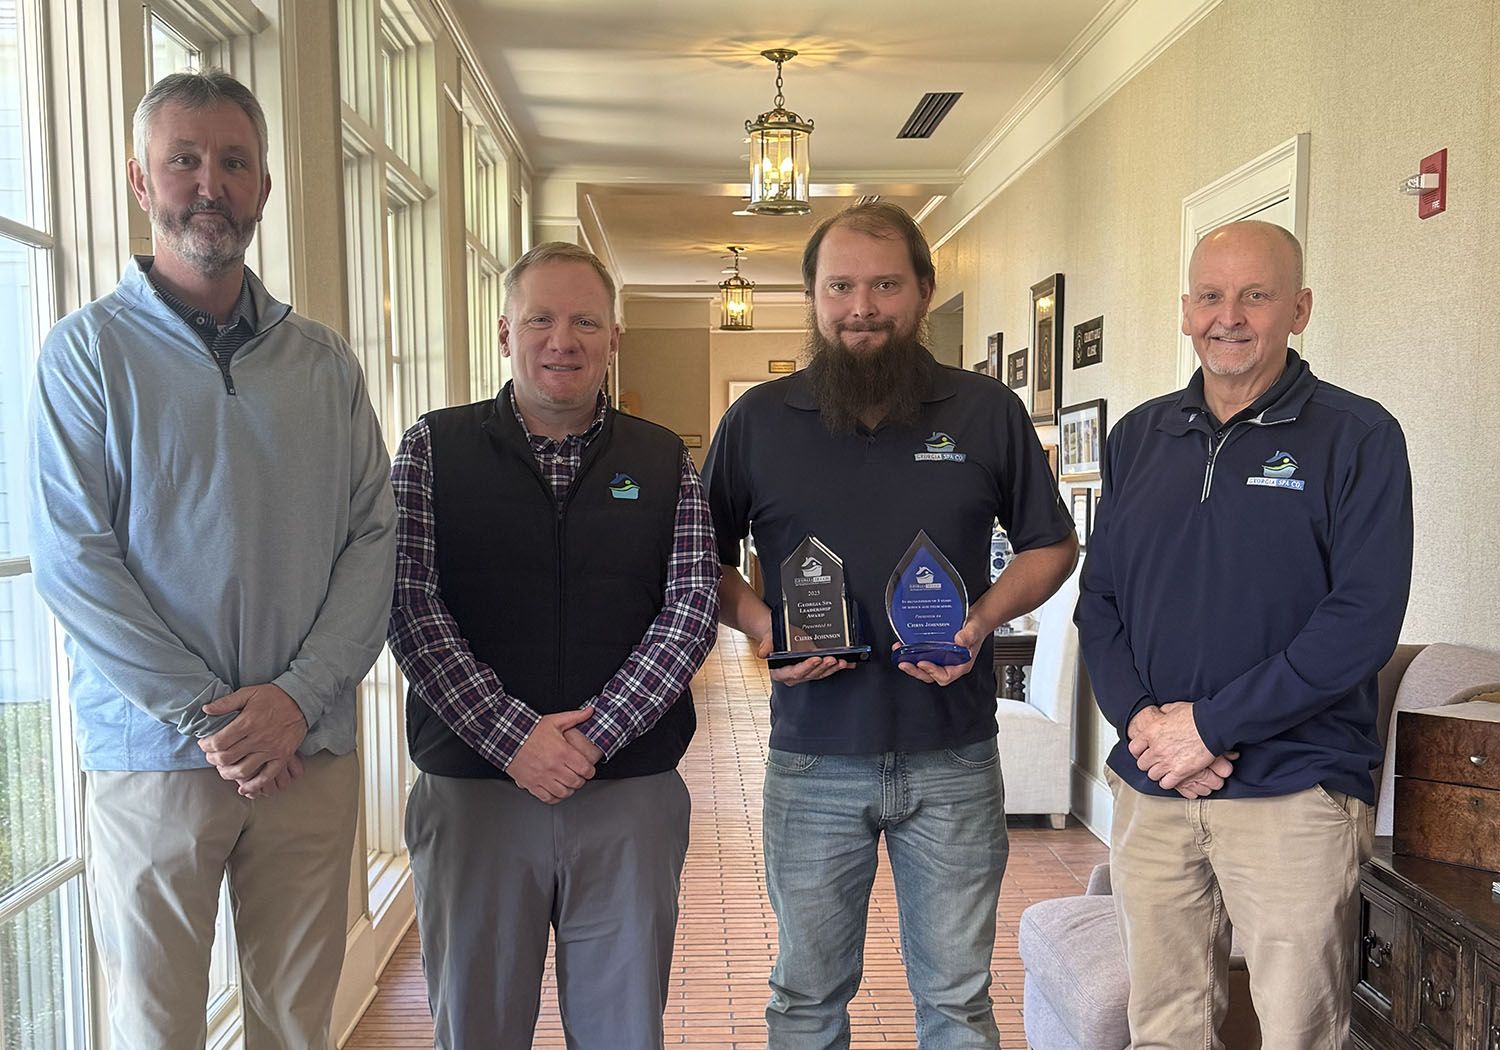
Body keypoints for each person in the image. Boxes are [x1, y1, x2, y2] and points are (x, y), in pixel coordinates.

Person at [28, 71, 396, 1048]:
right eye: (183, 160)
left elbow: (375, 537)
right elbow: (73, 562)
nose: (210, 185)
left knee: (297, 1025)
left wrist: (297, 700)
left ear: (264, 186)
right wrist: (212, 718)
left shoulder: (324, 362)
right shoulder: (85, 355)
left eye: (234, 162)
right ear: (140, 180)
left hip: (307, 750)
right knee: (156, 1027)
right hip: (155, 757)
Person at [703, 201, 1077, 1047]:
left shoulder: (986, 411)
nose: (861, 307)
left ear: (923, 291)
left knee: (957, 1001)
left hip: (953, 754)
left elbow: (1052, 544)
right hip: (812, 758)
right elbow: (702, 560)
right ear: (812, 296)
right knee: (805, 999)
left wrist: (979, 623)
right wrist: (763, 628)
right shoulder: (757, 421)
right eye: (840, 287)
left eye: (884, 285)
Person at [1076, 220, 1413, 1049]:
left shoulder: (1358, 436)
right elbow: (1101, 601)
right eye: (1211, 296)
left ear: (1299, 310)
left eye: (1256, 296)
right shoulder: (1138, 437)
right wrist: (1146, 727)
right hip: (1156, 785)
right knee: (1164, 1029)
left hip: (1295, 790)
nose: (1229, 317)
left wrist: (1209, 727)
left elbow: (1361, 621)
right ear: (1185, 310)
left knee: (1300, 1030)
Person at [387, 241, 720, 1049]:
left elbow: (692, 605)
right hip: (474, 791)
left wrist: (594, 735)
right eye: (540, 319)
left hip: (628, 790)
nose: (561, 341)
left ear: (613, 337)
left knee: (623, 1031)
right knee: (477, 1027)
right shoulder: (433, 447)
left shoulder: (662, 458)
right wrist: (514, 740)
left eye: (584, 322)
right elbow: (408, 601)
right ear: (506, 332)